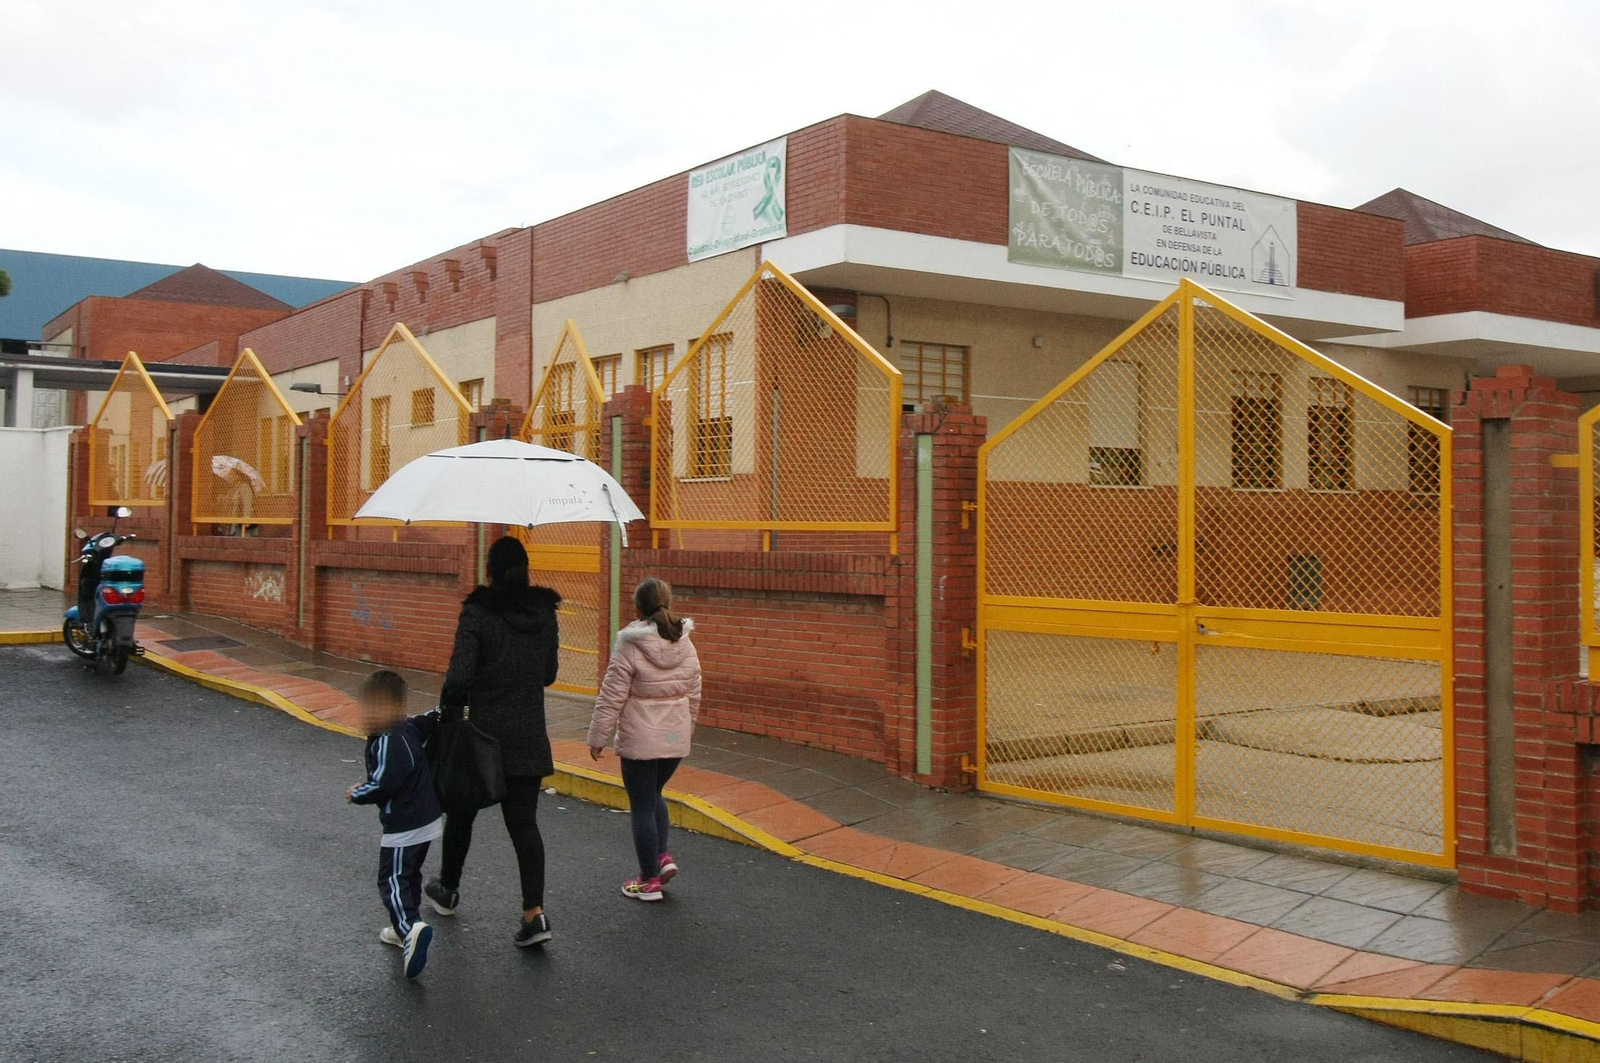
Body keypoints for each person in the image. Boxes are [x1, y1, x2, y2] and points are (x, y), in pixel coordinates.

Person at [426, 535, 561, 947]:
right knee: (524, 824)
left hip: (481, 738)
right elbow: (549, 673)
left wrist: (449, 708)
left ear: (490, 570)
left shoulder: (478, 612)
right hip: (527, 735)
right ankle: (533, 914)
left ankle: (448, 890)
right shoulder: (544, 613)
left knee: (462, 813)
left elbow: (458, 676)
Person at [587, 577, 702, 902]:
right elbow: (694, 688)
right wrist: (687, 727)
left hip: (641, 740)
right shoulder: (684, 641)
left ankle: (648, 880)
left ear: (638, 607)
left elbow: (612, 695)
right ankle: (662, 857)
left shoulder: (629, 644)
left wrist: (598, 736)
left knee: (641, 805)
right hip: (673, 737)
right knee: (654, 794)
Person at [346, 669, 440, 979]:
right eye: (367, 707)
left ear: (395, 709)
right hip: (427, 818)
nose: (370, 715)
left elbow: (384, 783)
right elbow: (432, 718)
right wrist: (450, 709)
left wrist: (357, 793)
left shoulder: (387, 740)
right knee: (409, 874)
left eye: (377, 708)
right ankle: (406, 929)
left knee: (392, 880)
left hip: (403, 824)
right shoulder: (408, 727)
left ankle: (409, 928)